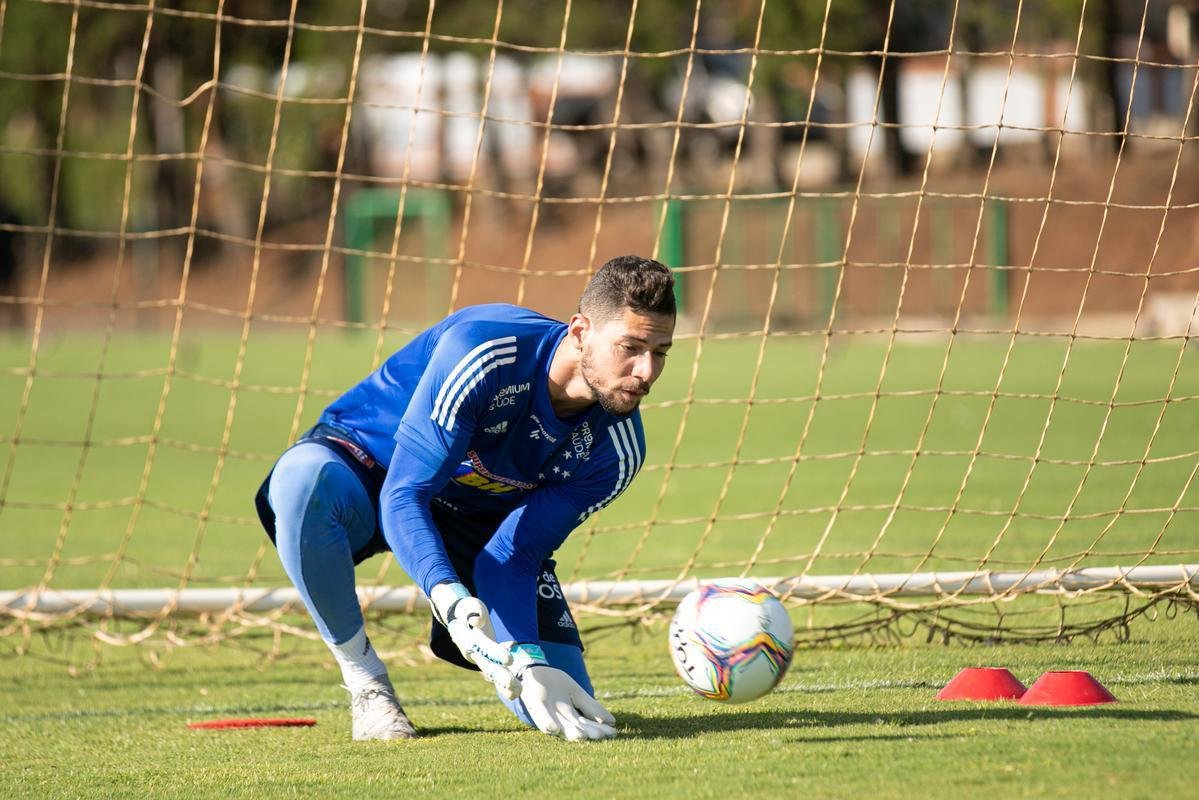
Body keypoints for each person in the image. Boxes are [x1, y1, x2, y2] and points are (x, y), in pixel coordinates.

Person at [255, 254, 675, 742]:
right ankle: (367, 683)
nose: (646, 371)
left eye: (661, 352)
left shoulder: (617, 451)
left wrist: (527, 659)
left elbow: (513, 555)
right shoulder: (487, 351)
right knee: (303, 485)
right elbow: (405, 493)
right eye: (631, 347)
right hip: (375, 470)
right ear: (580, 331)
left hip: (480, 522)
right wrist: (449, 599)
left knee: (559, 709)